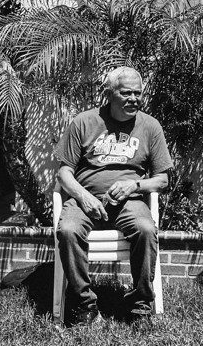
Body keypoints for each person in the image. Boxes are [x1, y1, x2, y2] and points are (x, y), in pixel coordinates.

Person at [54, 66, 173, 326]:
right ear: (109, 93)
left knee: (145, 228)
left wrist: (135, 186)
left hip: (129, 202)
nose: (133, 99)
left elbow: (163, 179)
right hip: (86, 200)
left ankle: (140, 305)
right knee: (68, 231)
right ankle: (84, 304)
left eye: (138, 93)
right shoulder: (83, 122)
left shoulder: (150, 126)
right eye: (126, 93)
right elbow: (64, 174)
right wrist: (84, 197)